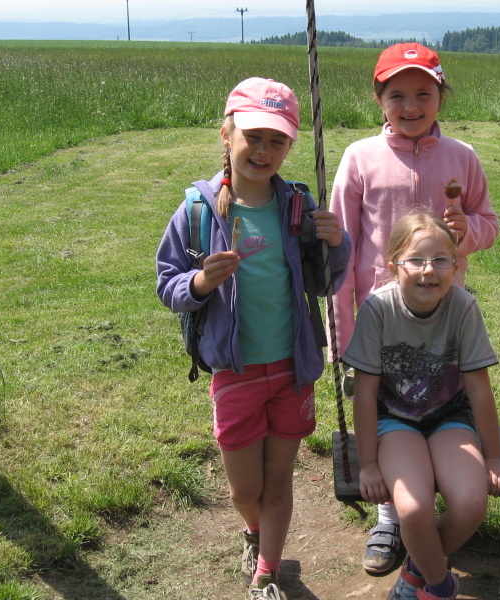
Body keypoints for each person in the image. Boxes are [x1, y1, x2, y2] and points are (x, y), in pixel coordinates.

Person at [156, 77, 351, 600]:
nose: (264, 150)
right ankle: (252, 530)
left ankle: (267, 570)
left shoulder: (298, 207)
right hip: (235, 371)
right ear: (227, 134)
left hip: (292, 367)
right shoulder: (198, 212)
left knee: (279, 479)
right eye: (254, 136)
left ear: (289, 145)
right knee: (246, 489)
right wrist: (200, 283)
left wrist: (337, 243)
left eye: (277, 140)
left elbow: (323, 282)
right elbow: (167, 283)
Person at [329, 41, 500, 574]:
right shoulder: (360, 158)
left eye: (423, 93)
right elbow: (340, 248)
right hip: (376, 316)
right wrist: (341, 329)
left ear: (441, 96)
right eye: (397, 95)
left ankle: (423, 532)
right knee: (383, 407)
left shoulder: (462, 157)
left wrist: (466, 232)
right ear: (379, 100)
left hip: (440, 315)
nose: (410, 106)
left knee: (435, 396)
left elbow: (488, 224)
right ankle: (390, 516)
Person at [342, 212, 500, 600]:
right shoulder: (377, 309)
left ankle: (418, 569)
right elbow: (365, 394)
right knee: (414, 510)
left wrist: (494, 457)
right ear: (393, 266)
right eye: (415, 260)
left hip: (449, 416)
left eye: (440, 260)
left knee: (470, 504)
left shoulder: (462, 307)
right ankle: (440, 587)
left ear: (455, 265)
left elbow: (479, 389)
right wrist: (368, 464)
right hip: (395, 420)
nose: (428, 270)